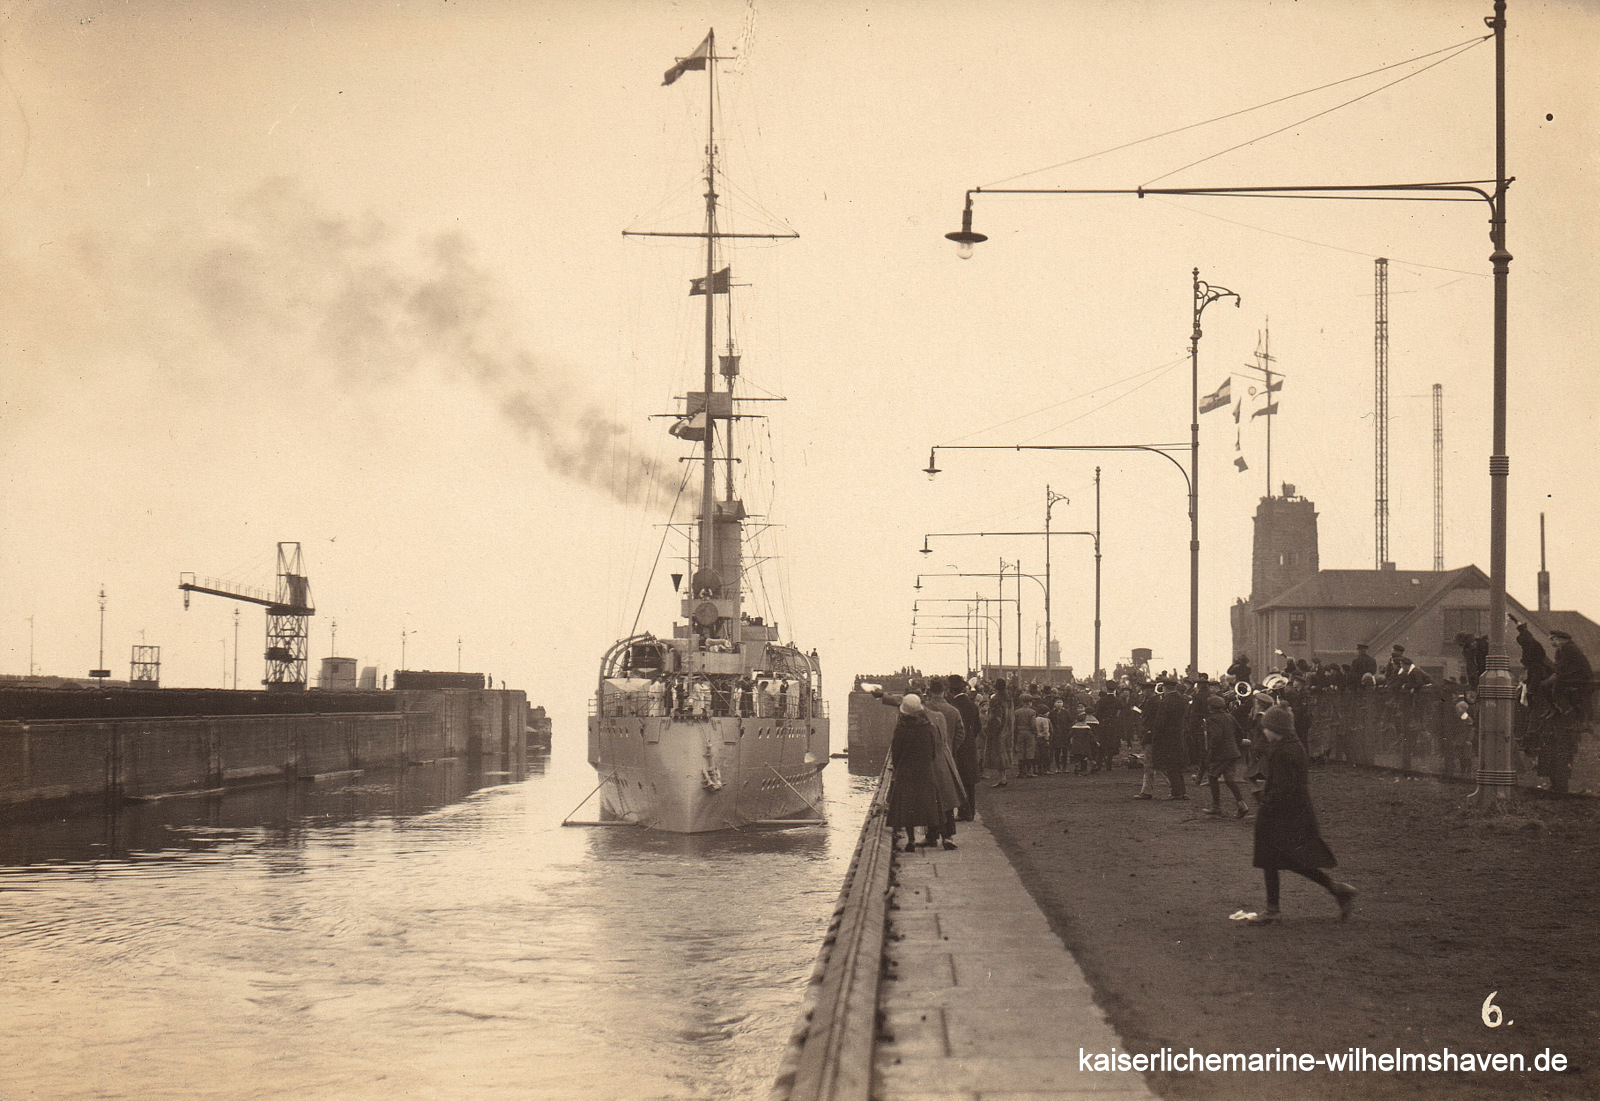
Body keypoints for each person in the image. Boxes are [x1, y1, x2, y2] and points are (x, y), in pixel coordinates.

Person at [1243, 705, 1356, 924]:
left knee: (1272, 858)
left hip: (1281, 814)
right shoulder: (1291, 746)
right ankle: (1338, 890)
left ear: (1276, 729)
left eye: (1267, 728)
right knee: (1293, 861)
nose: (1264, 732)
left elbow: (1283, 788)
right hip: (1295, 813)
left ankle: (1273, 911)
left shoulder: (1284, 753)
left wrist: (1264, 802)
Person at [885, 695, 946, 853]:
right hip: (925, 771)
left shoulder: (901, 728)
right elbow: (933, 750)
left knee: (907, 807)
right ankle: (936, 836)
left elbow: (895, 752)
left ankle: (911, 840)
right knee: (930, 804)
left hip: (906, 771)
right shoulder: (928, 727)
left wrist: (898, 766)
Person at [1138, 680, 1189, 800]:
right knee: (1175, 765)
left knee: (1164, 765)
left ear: (1165, 688)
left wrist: (1155, 738)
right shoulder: (1182, 700)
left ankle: (1175, 792)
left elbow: (1159, 723)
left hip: (1165, 738)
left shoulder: (1164, 702)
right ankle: (1181, 791)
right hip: (1178, 737)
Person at [1200, 695, 1249, 819]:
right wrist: (1235, 745)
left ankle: (1216, 807)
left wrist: (1211, 753)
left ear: (1211, 707)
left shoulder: (1212, 719)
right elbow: (1241, 733)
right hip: (1233, 753)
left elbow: (1216, 736)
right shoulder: (1230, 717)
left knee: (1212, 777)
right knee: (1229, 779)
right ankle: (1241, 804)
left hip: (1221, 755)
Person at [946, 674, 982, 821]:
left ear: (951, 690)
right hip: (969, 745)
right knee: (969, 781)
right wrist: (970, 738)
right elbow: (978, 726)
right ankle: (970, 812)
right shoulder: (972, 705)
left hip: (956, 745)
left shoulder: (952, 706)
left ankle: (962, 812)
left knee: (958, 778)